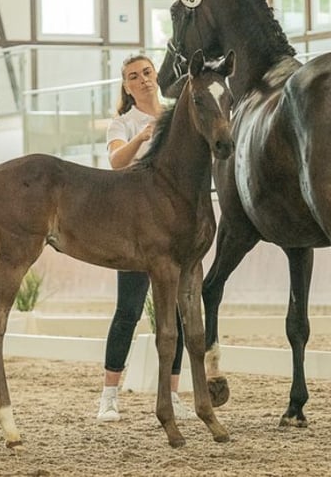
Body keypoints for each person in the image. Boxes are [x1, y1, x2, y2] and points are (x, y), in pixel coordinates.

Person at [96, 54, 195, 422]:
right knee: (129, 310)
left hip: (174, 223)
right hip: (137, 224)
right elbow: (116, 162)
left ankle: (173, 394)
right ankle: (109, 395)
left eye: (147, 73)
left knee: (176, 312)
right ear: (126, 85)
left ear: (156, 76)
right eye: (133, 76)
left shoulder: (177, 113)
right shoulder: (122, 124)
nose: (142, 80)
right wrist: (142, 135)